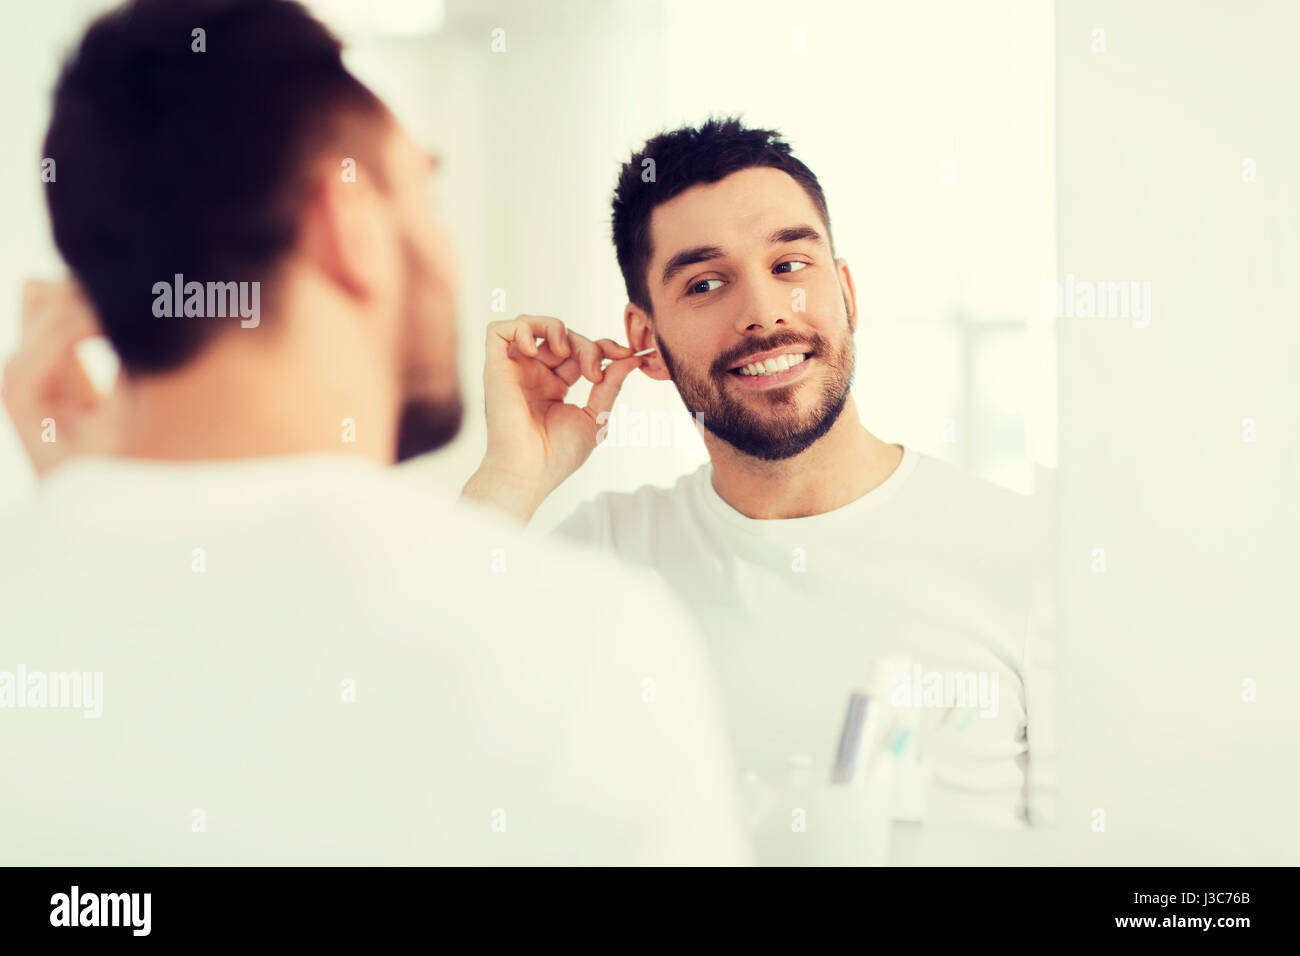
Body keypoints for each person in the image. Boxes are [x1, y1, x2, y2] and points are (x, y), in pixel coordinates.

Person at [0, 0, 750, 865]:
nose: (444, 247)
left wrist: (90, 523)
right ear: (347, 224)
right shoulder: (585, 646)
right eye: (422, 191)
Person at [463, 118, 1057, 832]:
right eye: (707, 283)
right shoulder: (605, 562)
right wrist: (511, 476)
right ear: (645, 338)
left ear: (847, 295)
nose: (764, 312)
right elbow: (407, 725)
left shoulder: (1031, 556)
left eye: (789, 266)